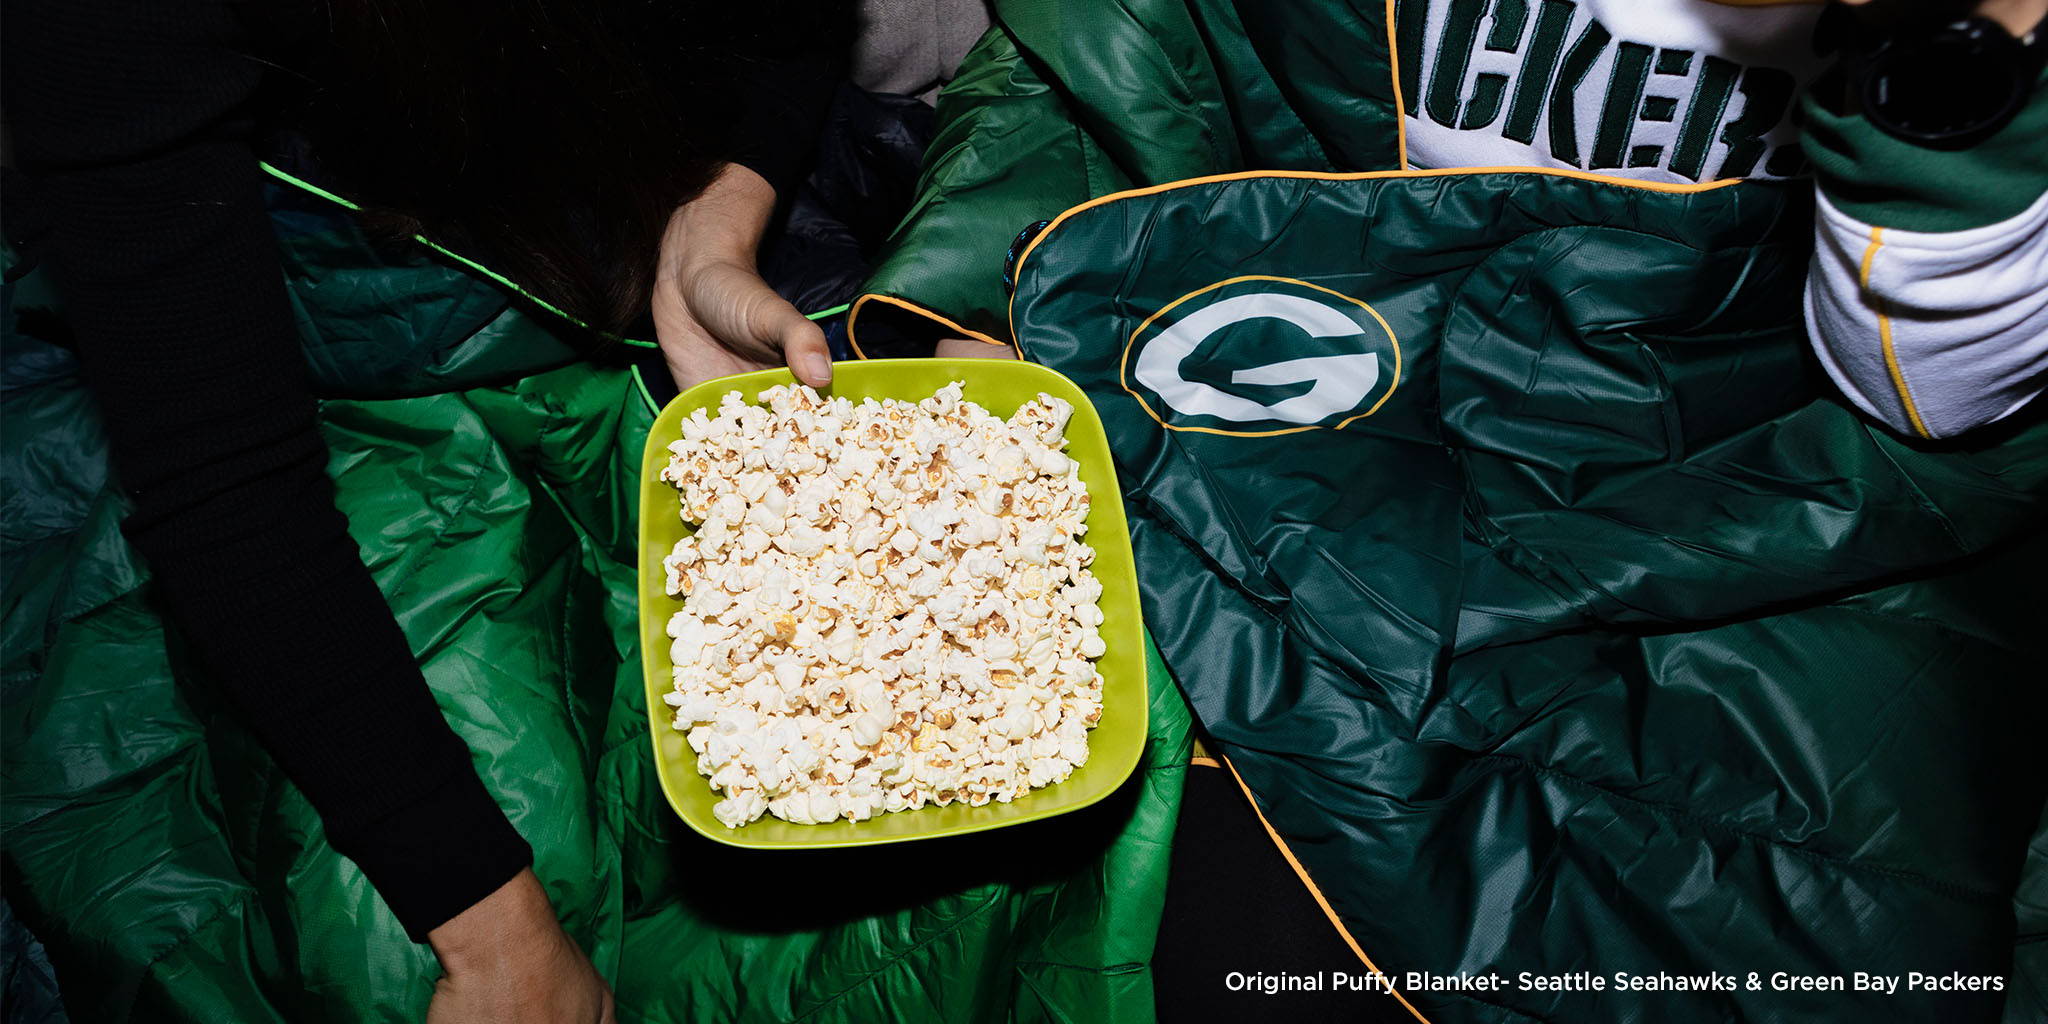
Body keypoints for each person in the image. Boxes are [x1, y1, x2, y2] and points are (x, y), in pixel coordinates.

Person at [2, 1, 850, 1020]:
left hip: (665, 203)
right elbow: (222, 473)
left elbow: (798, 28)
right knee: (368, 934)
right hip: (350, 305)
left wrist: (712, 227)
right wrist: (494, 932)